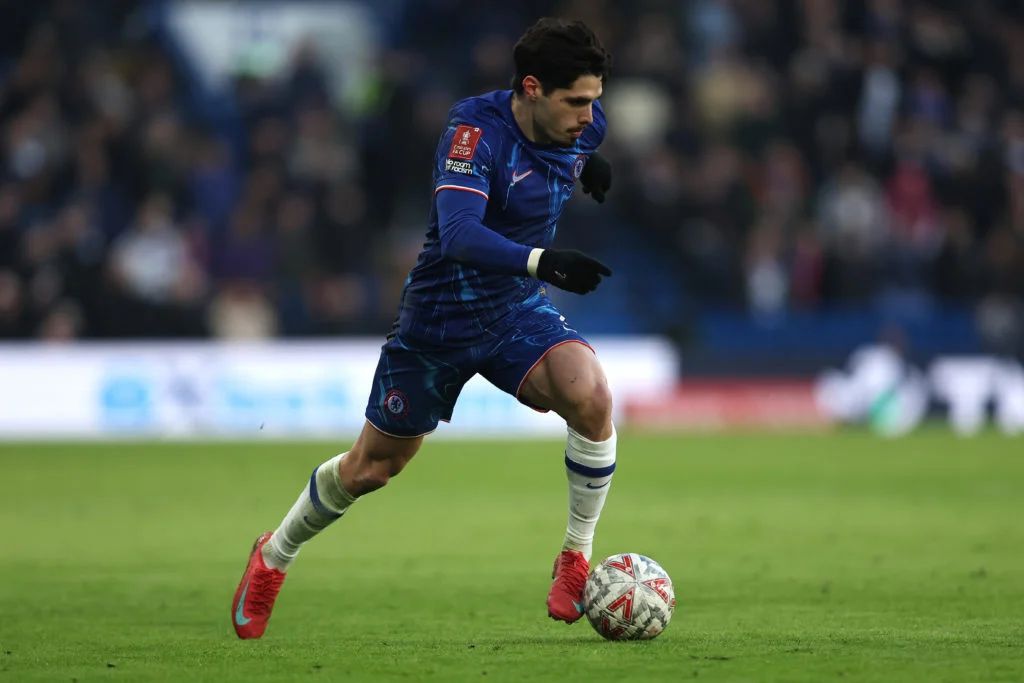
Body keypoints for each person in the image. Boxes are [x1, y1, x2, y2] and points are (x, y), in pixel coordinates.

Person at [232, 17, 617, 639]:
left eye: (594, 101)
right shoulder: (473, 135)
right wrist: (546, 261)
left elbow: (580, 143)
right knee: (371, 469)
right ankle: (273, 554)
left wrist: (588, 161)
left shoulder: (584, 122)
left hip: (513, 309)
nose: (589, 114)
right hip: (438, 321)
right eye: (576, 102)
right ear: (532, 89)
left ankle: (575, 557)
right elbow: (460, 235)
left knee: (590, 396)